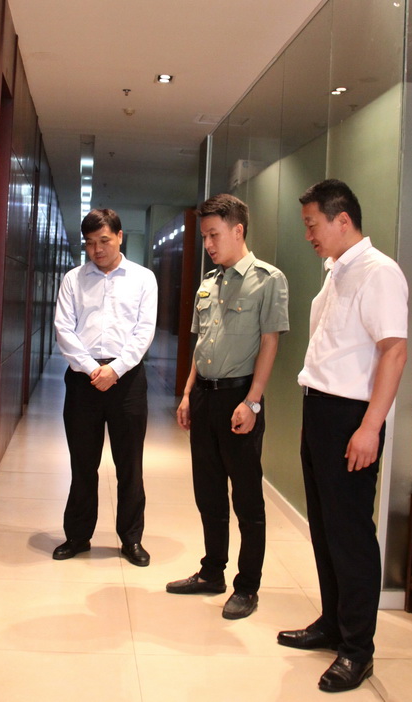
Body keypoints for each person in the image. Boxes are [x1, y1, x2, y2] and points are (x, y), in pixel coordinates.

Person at [277, 179, 408, 693]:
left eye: (312, 225)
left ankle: (358, 650)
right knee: (326, 529)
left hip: (352, 417)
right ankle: (332, 623)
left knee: (351, 536)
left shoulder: (379, 273)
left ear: (343, 220)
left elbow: (394, 351)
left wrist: (370, 427)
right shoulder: (336, 273)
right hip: (321, 412)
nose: (308, 235)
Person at [166, 194, 289, 619]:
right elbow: (201, 344)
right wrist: (187, 394)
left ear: (238, 230)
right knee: (208, 492)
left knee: (248, 500)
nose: (208, 245)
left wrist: (252, 402)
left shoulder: (268, 280)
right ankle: (211, 572)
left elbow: (270, 343)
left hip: (240, 399)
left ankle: (247, 586)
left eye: (214, 235)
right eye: (204, 237)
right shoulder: (208, 282)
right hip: (204, 397)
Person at [53, 208, 157, 567]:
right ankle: (77, 536)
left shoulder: (143, 279)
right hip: (83, 381)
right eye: (89, 243)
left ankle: (131, 539)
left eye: (104, 241)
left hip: (127, 381)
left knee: (130, 465)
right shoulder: (73, 280)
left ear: (119, 236)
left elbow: (144, 331)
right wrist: (91, 368)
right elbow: (63, 329)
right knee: (83, 463)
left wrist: (115, 369)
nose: (96, 250)